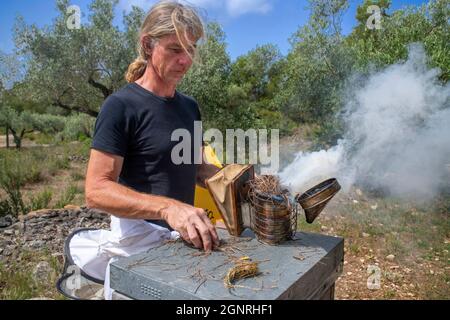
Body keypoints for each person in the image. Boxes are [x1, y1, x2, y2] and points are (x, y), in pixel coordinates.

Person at [85, 1, 220, 253]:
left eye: (190, 49)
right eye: (174, 49)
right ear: (148, 45)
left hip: (184, 243)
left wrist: (238, 180)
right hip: (136, 248)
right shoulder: (120, 106)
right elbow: (96, 190)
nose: (185, 60)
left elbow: (197, 168)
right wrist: (169, 208)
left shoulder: (190, 107)